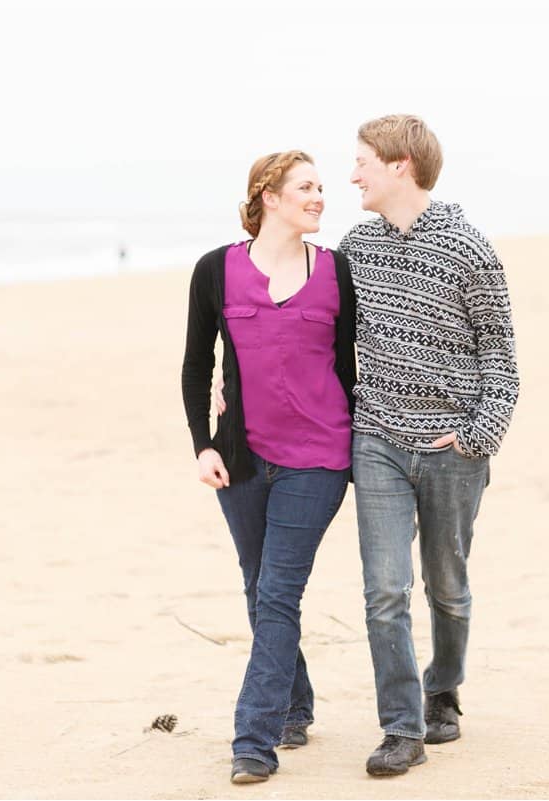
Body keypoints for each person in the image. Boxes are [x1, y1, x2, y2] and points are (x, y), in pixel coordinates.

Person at [339, 115, 520, 776]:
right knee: (385, 589)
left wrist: (477, 437)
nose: (352, 174)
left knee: (447, 586)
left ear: (398, 165)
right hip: (377, 438)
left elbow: (501, 360)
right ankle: (401, 726)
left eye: (361, 161)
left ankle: (443, 686)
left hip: (452, 449)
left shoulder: (471, 249)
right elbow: (318, 337)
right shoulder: (355, 247)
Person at [180, 150, 357, 784]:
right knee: (260, 589)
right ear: (270, 196)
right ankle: (295, 706)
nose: (319, 198)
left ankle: (254, 740)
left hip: (319, 459)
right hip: (242, 459)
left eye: (321, 188)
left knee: (279, 592)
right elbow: (198, 363)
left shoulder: (337, 272)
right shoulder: (215, 270)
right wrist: (204, 443)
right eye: (307, 188)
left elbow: (350, 370)